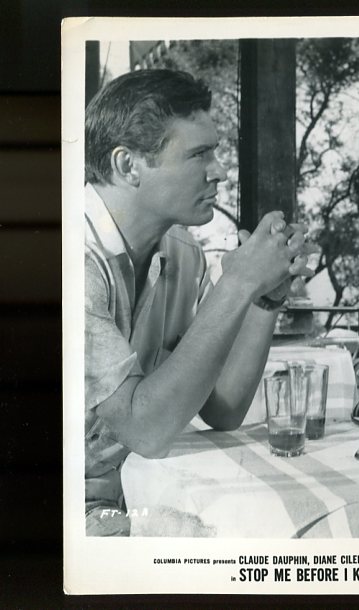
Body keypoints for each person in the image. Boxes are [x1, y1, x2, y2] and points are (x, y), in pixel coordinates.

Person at [84, 69, 313, 535]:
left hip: (136, 496)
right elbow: (146, 431)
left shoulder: (182, 253)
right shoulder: (71, 262)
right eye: (198, 154)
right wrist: (236, 283)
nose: (220, 171)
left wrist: (262, 301)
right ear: (128, 166)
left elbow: (223, 409)